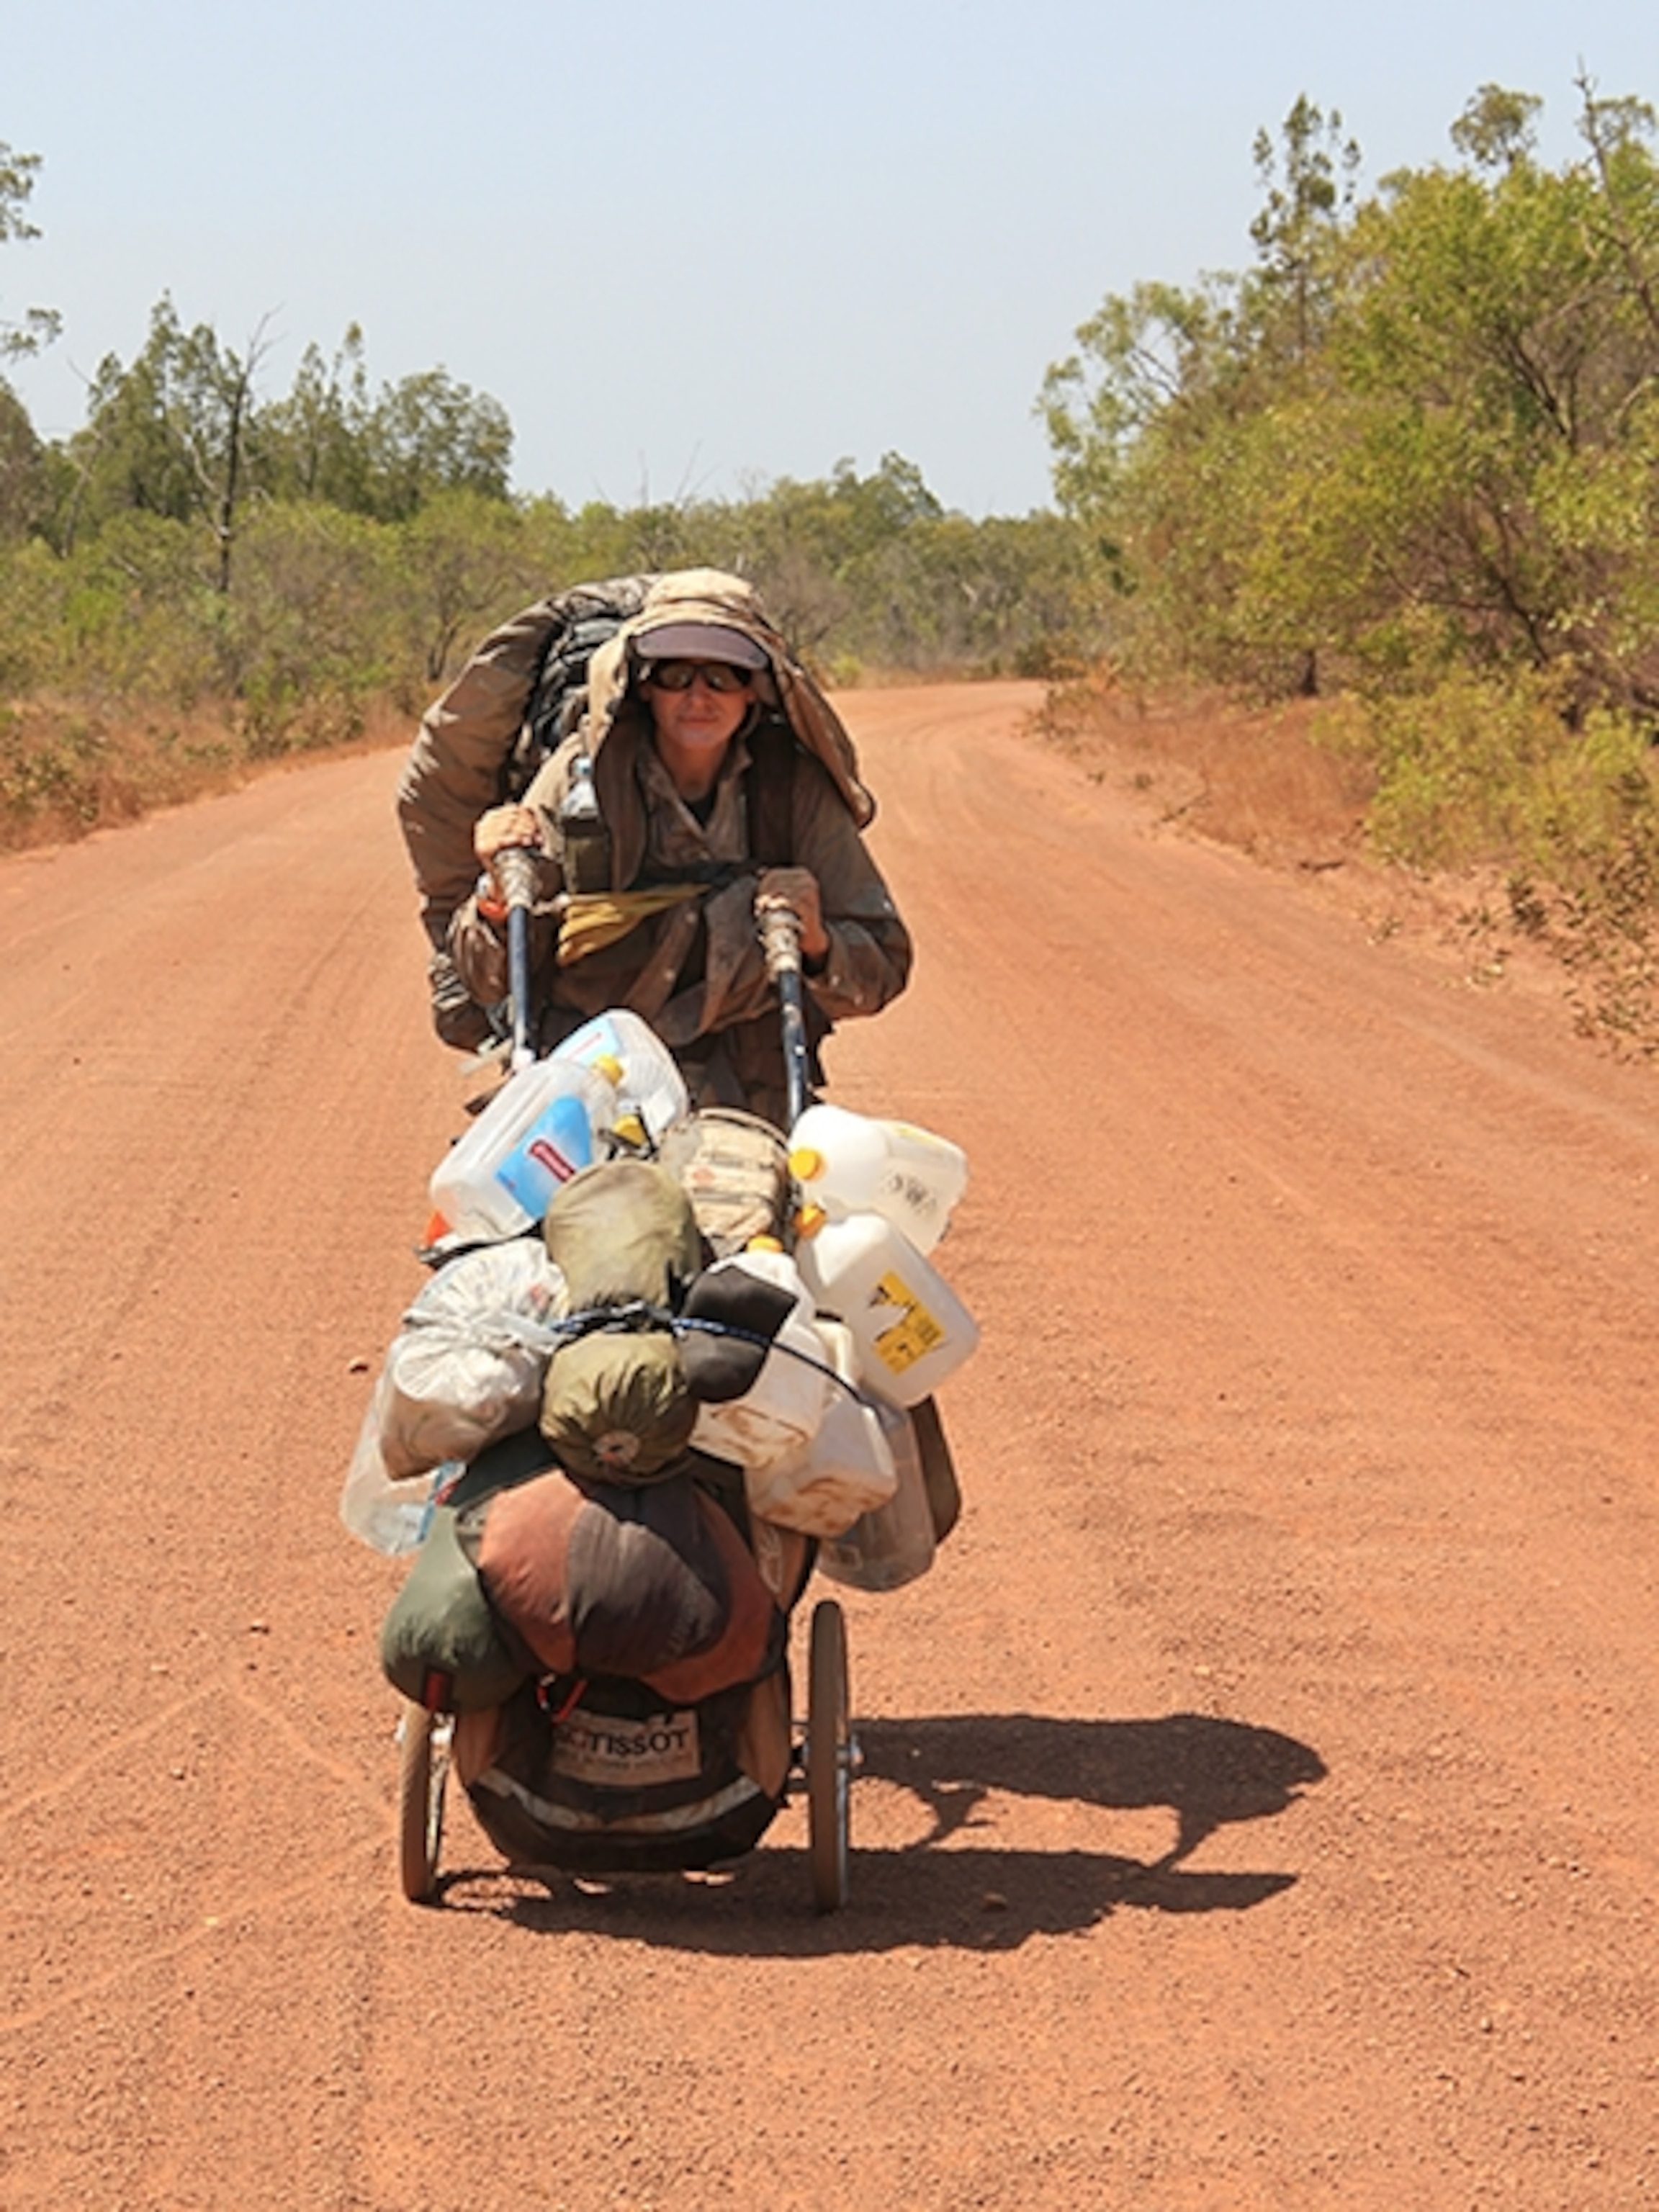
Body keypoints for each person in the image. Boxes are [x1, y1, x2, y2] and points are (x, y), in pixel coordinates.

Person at [446, 569, 912, 1128]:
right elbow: (487, 977)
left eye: (721, 675)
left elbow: (882, 966)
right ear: (643, 683)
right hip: (588, 1091)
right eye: (676, 674)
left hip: (748, 1098)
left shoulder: (791, 790)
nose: (698, 696)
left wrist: (815, 943)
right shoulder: (581, 779)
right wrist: (497, 896)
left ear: (754, 690)